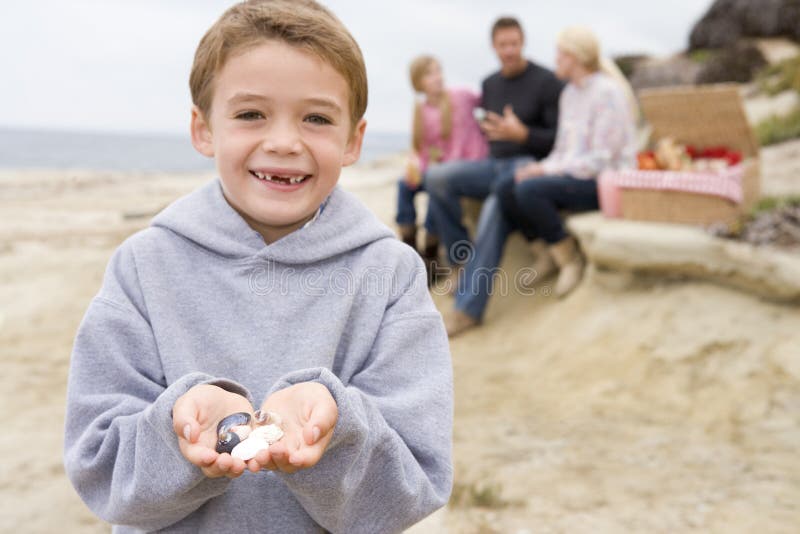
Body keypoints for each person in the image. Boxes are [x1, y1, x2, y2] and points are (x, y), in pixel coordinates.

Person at [63, 2, 453, 532]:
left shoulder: (390, 275)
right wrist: (177, 434)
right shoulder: (143, 267)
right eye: (251, 114)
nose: (284, 142)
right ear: (203, 129)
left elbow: (414, 486)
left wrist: (333, 428)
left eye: (316, 118)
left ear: (353, 140)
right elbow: (100, 472)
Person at [446, 25, 638, 337]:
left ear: (576, 56)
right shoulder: (572, 94)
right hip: (572, 172)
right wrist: (541, 167)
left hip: (604, 180)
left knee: (530, 188)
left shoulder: (607, 92)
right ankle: (550, 250)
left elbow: (602, 159)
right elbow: (563, 150)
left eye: (561, 53)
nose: (556, 59)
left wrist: (545, 172)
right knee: (510, 184)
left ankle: (568, 259)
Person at [423, 16, 564, 332]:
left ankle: (468, 309)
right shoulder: (489, 84)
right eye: (503, 45)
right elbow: (481, 127)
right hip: (491, 164)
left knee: (493, 207)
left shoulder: (547, 80)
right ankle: (461, 261)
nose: (510, 50)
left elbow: (557, 140)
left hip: (527, 163)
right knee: (436, 177)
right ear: (494, 47)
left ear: (523, 42)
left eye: (514, 43)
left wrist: (522, 134)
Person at [396, 55, 488, 281]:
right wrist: (415, 166)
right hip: (442, 169)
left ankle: (431, 250)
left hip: (470, 164)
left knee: (436, 186)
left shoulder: (461, 96)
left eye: (438, 71)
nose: (437, 77)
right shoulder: (421, 111)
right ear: (418, 82)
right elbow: (426, 150)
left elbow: (489, 100)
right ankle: (411, 251)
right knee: (404, 185)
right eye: (430, 73)